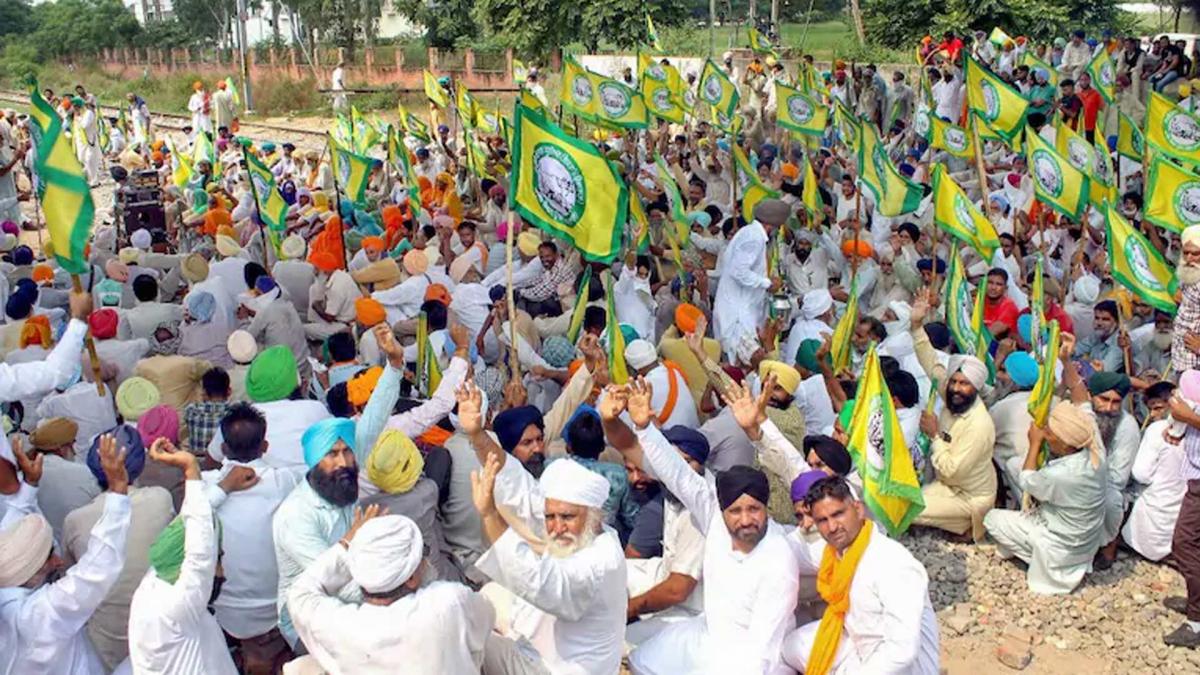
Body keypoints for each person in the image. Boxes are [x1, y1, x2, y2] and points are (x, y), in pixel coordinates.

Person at [605, 378, 802, 674]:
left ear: (766, 509)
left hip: (750, 657)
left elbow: (763, 650)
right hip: (705, 633)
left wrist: (761, 431)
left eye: (754, 509)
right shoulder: (712, 514)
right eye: (736, 510)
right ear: (722, 509)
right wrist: (645, 428)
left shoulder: (778, 559)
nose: (746, 519)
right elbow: (677, 474)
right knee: (637, 661)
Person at [459, 380, 627, 675]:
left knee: (467, 633)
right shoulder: (579, 527)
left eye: (566, 518)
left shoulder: (599, 561)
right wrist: (477, 435)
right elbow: (513, 481)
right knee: (483, 600)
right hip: (547, 647)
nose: (557, 527)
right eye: (551, 517)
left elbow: (539, 582)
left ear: (594, 516)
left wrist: (489, 515)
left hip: (560, 670)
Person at [288, 508, 494, 674]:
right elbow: (486, 619)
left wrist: (346, 544)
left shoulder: (339, 625)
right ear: (412, 578)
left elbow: (299, 594)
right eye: (423, 553)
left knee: (300, 667)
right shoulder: (448, 602)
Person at [0, 432, 132, 675]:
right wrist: (118, 492)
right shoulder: (38, 616)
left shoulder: (8, 586)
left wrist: (29, 484)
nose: (59, 561)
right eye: (50, 557)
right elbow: (97, 570)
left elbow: (9, 532)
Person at [782, 476, 940, 673]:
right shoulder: (836, 553)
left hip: (901, 667)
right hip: (862, 649)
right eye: (822, 520)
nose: (832, 527)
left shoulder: (892, 563)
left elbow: (902, 651)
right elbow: (787, 550)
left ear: (858, 509)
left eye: (838, 514)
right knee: (791, 647)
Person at [60, 426, 173, 670]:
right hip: (160, 633)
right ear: (140, 465)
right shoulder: (161, 499)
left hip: (107, 643)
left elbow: (67, 576)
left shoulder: (76, 520)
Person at [126, 438, 241, 674]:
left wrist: (219, 488)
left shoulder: (155, 580)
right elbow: (199, 554)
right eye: (218, 559)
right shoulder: (178, 604)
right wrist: (190, 467)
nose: (221, 571)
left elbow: (190, 527)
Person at [202, 403, 300, 672]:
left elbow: (190, 516)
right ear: (265, 446)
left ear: (223, 449)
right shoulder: (285, 481)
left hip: (225, 610)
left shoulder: (204, 486)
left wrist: (224, 488)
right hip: (276, 606)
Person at [983, 400, 1108, 594]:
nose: (1045, 436)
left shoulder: (1061, 475)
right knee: (1015, 465)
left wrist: (1034, 443)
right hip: (1083, 541)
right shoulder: (1097, 455)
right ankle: (1019, 542)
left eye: (1049, 433)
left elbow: (1026, 480)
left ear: (1066, 444)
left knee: (991, 518)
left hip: (1059, 546)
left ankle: (1027, 554)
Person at [909, 293, 997, 541]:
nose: (957, 388)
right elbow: (931, 364)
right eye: (955, 381)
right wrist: (916, 325)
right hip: (946, 485)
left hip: (968, 496)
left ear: (976, 388)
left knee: (907, 508)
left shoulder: (979, 425)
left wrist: (935, 434)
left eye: (965, 384)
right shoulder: (952, 396)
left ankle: (967, 524)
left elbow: (952, 471)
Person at [272, 417, 359, 650]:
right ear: (314, 460)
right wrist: (390, 601)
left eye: (347, 451)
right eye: (332, 454)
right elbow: (334, 580)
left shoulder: (343, 490)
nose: (343, 462)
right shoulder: (296, 515)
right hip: (307, 616)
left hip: (357, 595)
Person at [713, 199, 787, 357]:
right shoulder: (754, 237)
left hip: (742, 309)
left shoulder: (749, 233)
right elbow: (739, 271)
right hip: (738, 314)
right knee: (743, 362)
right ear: (772, 225)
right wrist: (767, 283)